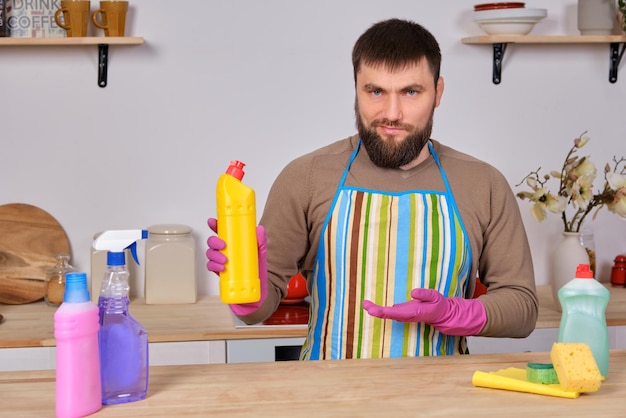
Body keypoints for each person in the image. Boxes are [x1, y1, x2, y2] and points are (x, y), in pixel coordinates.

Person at [206, 18, 538, 360]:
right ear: (356, 89)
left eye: (411, 92)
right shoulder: (306, 177)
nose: (391, 114)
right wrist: (246, 289)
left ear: (437, 93)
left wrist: (455, 313)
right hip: (324, 399)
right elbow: (255, 312)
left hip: (443, 402)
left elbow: (523, 308)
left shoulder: (483, 184)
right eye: (375, 91)